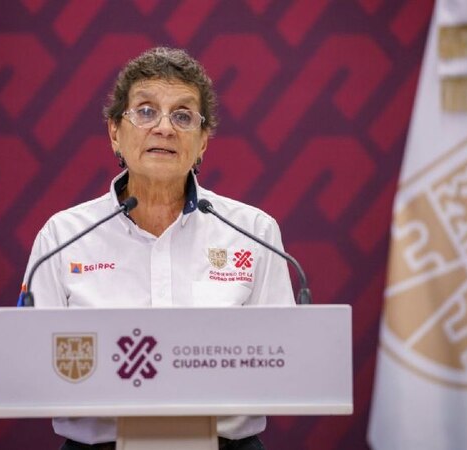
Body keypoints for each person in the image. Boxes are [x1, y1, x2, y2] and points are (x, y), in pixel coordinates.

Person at [23, 47, 294, 450]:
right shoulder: (63, 237)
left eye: (183, 116)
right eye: (146, 111)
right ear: (115, 131)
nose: (164, 127)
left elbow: (283, 362)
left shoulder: (251, 231)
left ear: (203, 141)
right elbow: (33, 368)